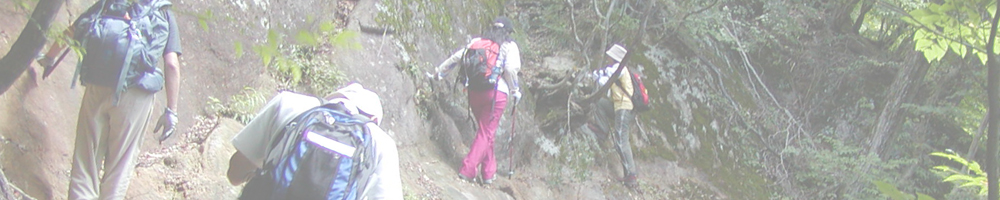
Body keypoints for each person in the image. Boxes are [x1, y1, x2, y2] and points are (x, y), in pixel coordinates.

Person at [42, 0, 184, 198]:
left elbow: (73, 30)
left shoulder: (110, 3)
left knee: (85, 162)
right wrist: (171, 111)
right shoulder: (163, 12)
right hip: (136, 95)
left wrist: (48, 58)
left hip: (98, 84)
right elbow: (171, 65)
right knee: (119, 168)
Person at [226, 83, 403, 199]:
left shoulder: (289, 103)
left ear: (333, 97)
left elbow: (235, 173)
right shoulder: (381, 144)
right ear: (373, 119)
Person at [433, 16, 522, 184]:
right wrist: (515, 90)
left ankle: (488, 173)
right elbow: (510, 68)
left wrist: (439, 73)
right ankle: (468, 169)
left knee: (486, 131)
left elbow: (456, 58)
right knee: (486, 132)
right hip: (496, 94)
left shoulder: (477, 42)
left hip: (474, 91)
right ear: (508, 32)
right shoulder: (509, 46)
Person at [592, 44, 638, 187]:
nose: (607, 58)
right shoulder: (617, 69)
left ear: (614, 57)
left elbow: (601, 79)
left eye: (610, 56)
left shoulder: (619, 69)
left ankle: (631, 175)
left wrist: (598, 75)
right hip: (618, 106)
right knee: (599, 103)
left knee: (620, 140)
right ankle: (602, 130)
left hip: (624, 107)